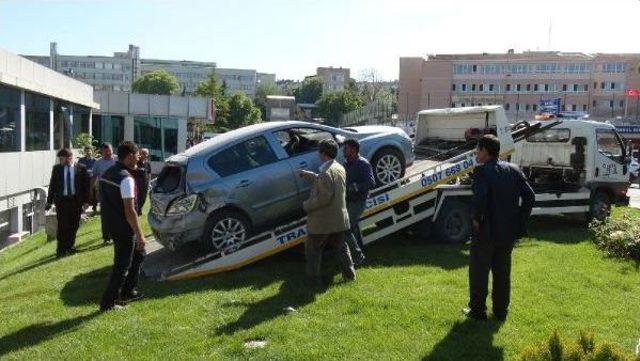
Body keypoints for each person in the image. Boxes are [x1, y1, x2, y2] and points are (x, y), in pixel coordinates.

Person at [464, 135, 535, 321]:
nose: (476, 153)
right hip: (507, 233)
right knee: (502, 274)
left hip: (485, 233)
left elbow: (480, 198)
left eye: (478, 150)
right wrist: (520, 221)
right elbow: (530, 196)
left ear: (486, 151)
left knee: (479, 272)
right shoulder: (514, 170)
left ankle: (478, 311)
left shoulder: (481, 172)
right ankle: (501, 311)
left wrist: (477, 220)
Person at [298, 139, 355, 286]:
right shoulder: (339, 168)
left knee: (312, 250)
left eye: (319, 152)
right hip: (339, 219)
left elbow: (324, 198)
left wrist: (306, 205)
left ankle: (313, 282)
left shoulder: (325, 173)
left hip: (323, 222)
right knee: (341, 248)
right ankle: (350, 276)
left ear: (323, 153)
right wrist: (309, 175)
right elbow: (327, 183)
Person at [99, 141, 146, 311]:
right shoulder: (126, 178)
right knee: (121, 266)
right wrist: (140, 235)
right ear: (130, 155)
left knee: (139, 254)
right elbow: (130, 211)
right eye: (137, 154)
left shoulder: (106, 173)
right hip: (124, 229)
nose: (139, 157)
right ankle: (108, 303)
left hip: (111, 225)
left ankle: (128, 291)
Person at [45, 148, 90, 257]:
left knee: (74, 225)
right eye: (59, 159)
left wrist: (86, 201)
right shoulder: (57, 169)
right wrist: (49, 202)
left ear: (69, 158)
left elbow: (86, 186)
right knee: (62, 225)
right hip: (62, 201)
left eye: (62, 158)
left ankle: (70, 247)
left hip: (76, 201)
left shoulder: (81, 168)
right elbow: (52, 186)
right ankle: (60, 250)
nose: (60, 161)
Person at [342, 139, 376, 266]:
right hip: (348, 201)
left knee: (346, 228)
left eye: (346, 148)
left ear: (354, 149)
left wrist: (356, 186)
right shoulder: (346, 164)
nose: (344, 150)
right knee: (353, 229)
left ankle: (359, 256)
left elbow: (371, 183)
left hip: (359, 201)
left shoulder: (363, 164)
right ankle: (356, 255)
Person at [92, 143, 117, 243]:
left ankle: (116, 235)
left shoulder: (118, 160)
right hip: (104, 191)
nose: (107, 153)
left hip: (117, 190)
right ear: (101, 152)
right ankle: (106, 237)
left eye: (109, 150)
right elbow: (94, 177)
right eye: (105, 151)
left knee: (117, 214)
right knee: (106, 215)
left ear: (112, 149)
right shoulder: (98, 163)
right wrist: (91, 191)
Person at [77, 146, 97, 212]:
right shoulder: (81, 160)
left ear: (92, 151)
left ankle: (94, 207)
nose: (88, 152)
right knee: (83, 192)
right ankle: (83, 206)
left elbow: (96, 170)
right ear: (85, 152)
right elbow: (78, 169)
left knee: (93, 191)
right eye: (87, 151)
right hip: (83, 179)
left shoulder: (95, 161)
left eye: (89, 151)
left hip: (92, 179)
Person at [135, 148, 152, 215]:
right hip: (137, 184)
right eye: (142, 153)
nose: (144, 155)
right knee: (137, 197)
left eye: (145, 153)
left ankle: (139, 209)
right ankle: (137, 210)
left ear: (147, 155)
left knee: (143, 198)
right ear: (139, 154)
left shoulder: (147, 163)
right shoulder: (136, 162)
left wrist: (149, 183)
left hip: (145, 184)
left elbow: (149, 174)